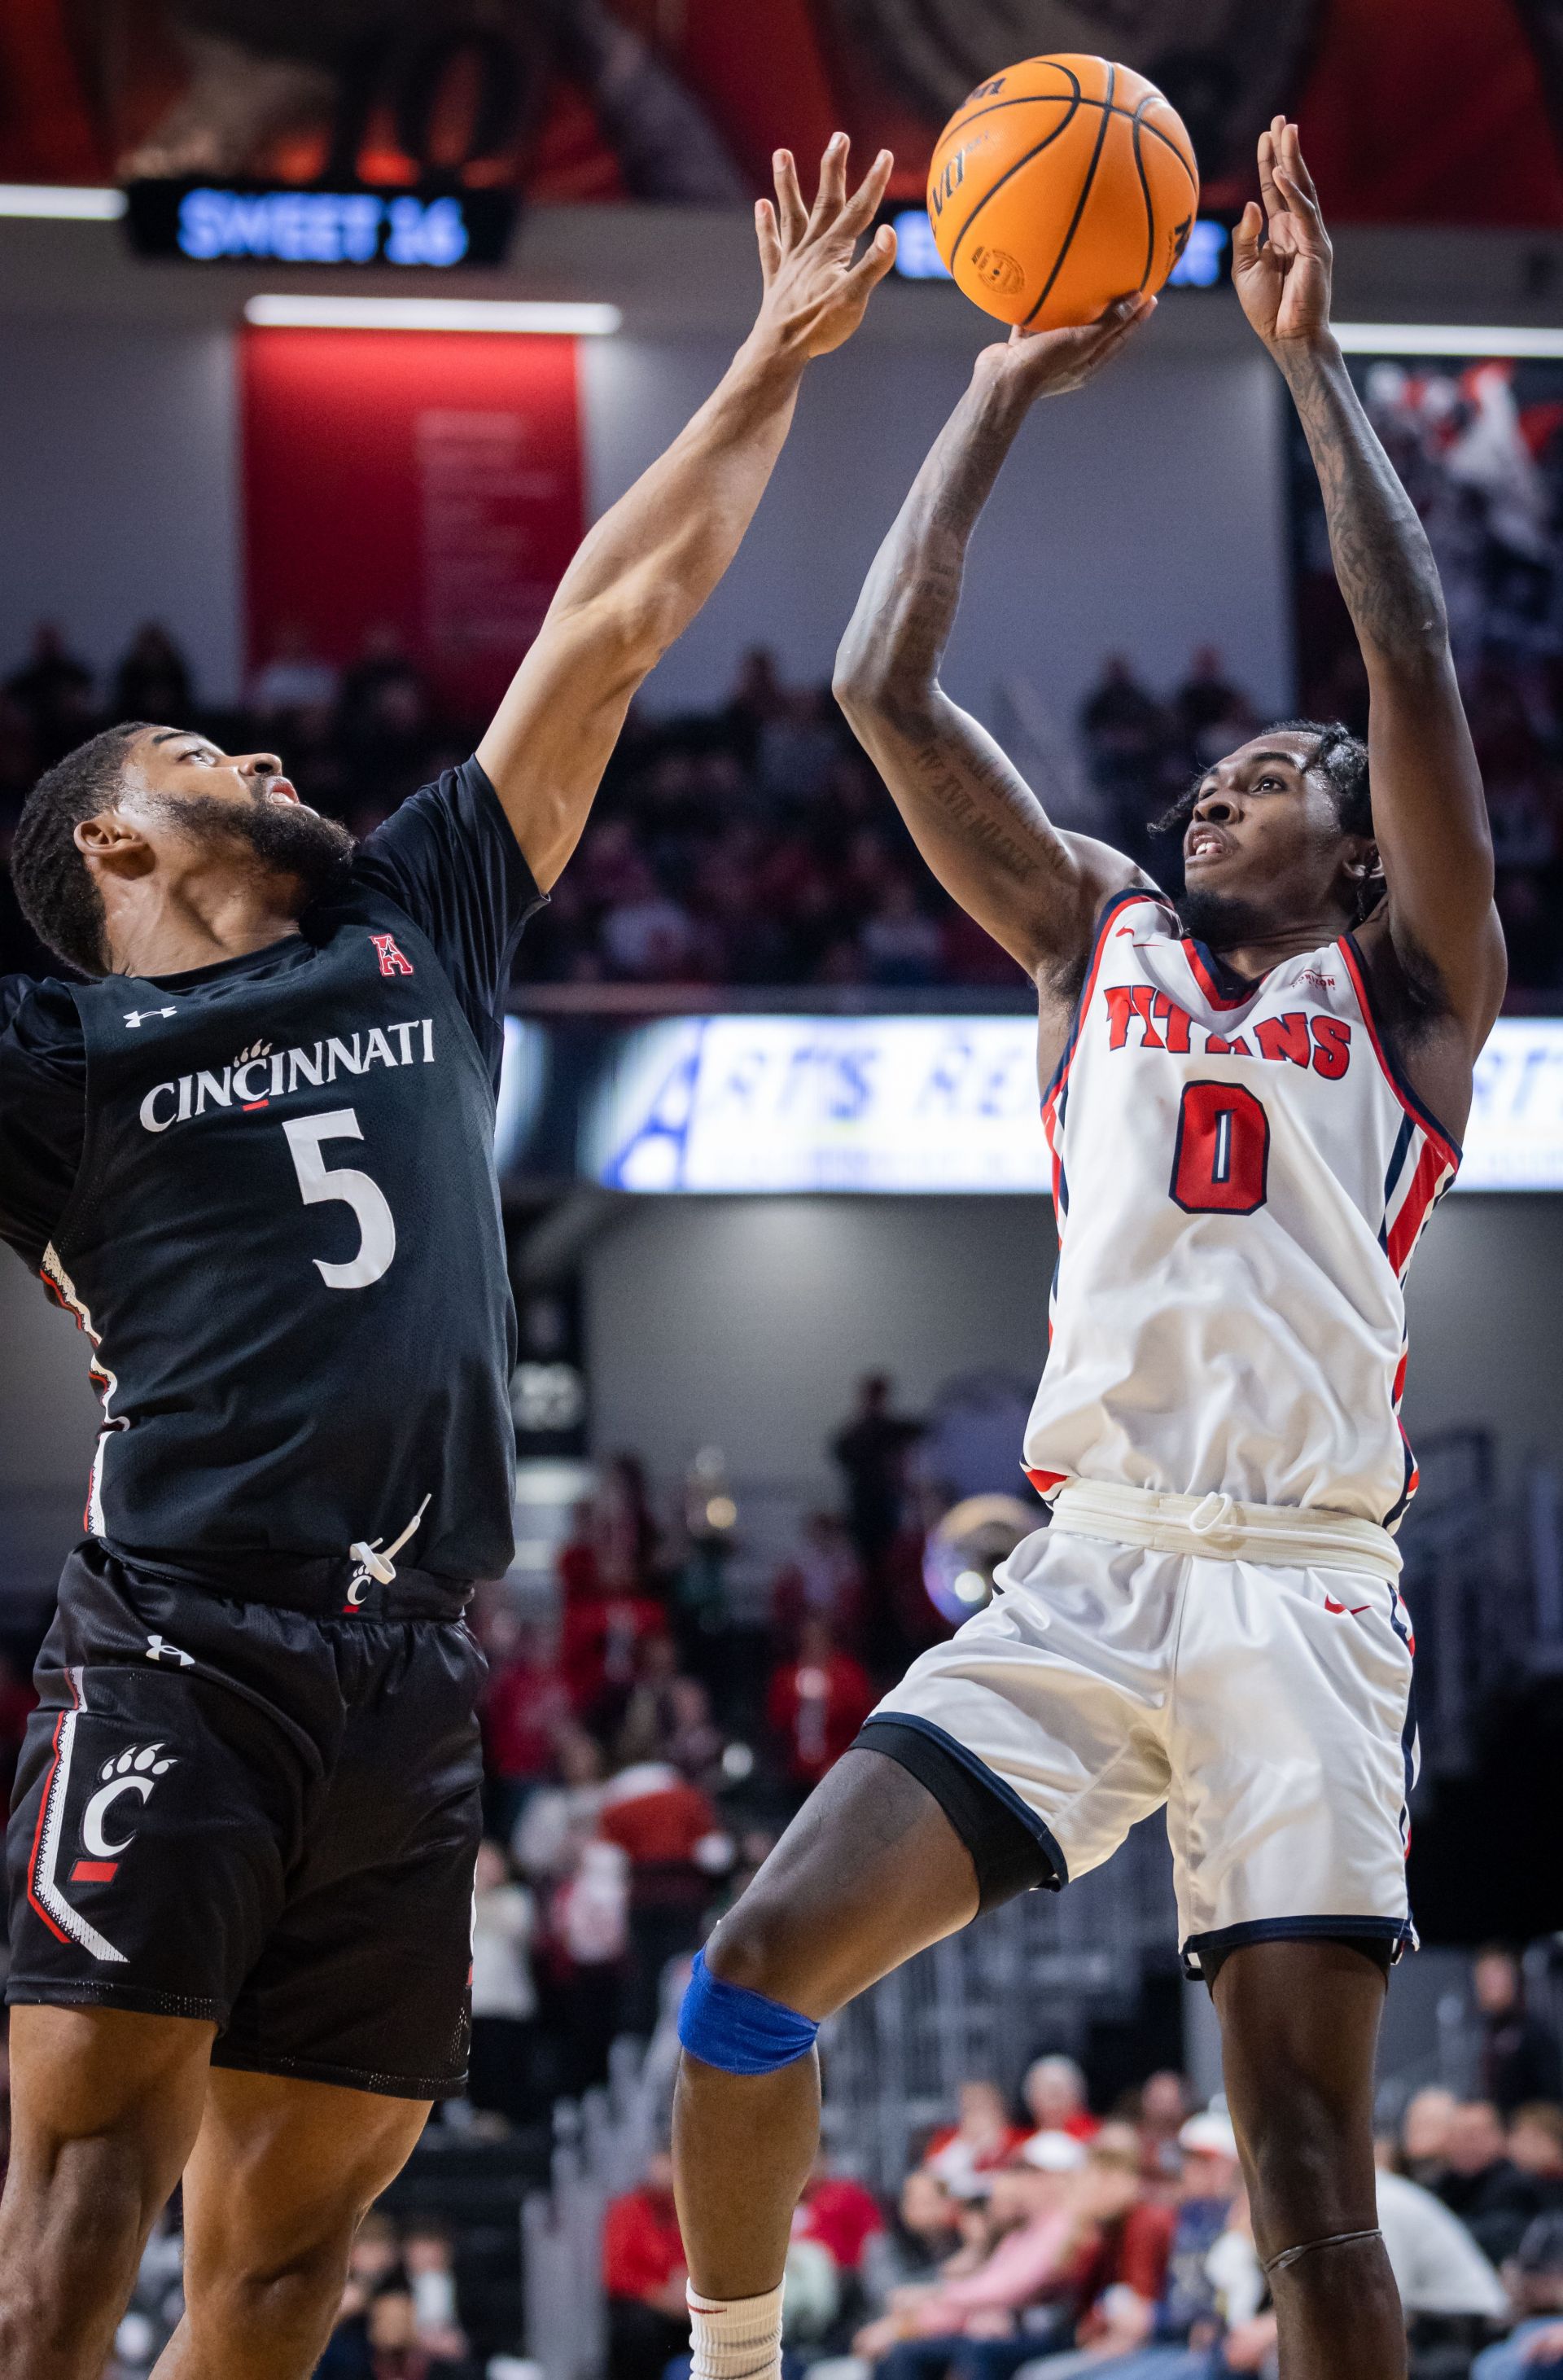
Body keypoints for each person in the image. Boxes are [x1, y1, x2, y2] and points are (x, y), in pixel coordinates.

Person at [0, 132, 900, 2380]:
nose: (269, 750)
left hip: (409, 1675)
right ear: (116, 833)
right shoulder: (50, 1046)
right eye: (211, 748)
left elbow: (611, 615)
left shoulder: (416, 916)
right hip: (183, 1641)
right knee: (82, 2195)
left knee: (294, 2255)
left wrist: (772, 360)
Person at [670, 120, 1507, 2380]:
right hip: (1095, 1557)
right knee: (752, 1967)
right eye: (1205, 773)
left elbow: (1410, 655)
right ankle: (733, 2365)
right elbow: (876, 683)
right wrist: (1002, 383)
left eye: (1266, 777)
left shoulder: (1412, 994)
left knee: (1311, 2194)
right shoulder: (1089, 932)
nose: (1210, 791)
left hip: (1307, 1588)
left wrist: (1311, 368)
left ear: (1357, 857)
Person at [604, 2149, 691, 2380]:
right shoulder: (626, 2210)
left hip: (680, 2301)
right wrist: (658, 2295)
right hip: (639, 2305)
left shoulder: (684, 2211)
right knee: (639, 2330)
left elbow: (687, 2261)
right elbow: (616, 2273)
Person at [1434, 2101, 1544, 2264]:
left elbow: (1499, 2239)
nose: (1464, 2144)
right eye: (1456, 2135)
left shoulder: (1516, 2186)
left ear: (1500, 2137)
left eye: (1473, 2135)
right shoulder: (1442, 2185)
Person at [1477, 1948, 1563, 2113]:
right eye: (1482, 1978)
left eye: (1494, 1977)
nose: (1487, 1985)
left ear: (1512, 1977)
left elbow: (1551, 2095)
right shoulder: (1485, 2033)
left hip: (1532, 2126)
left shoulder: (1534, 2031)